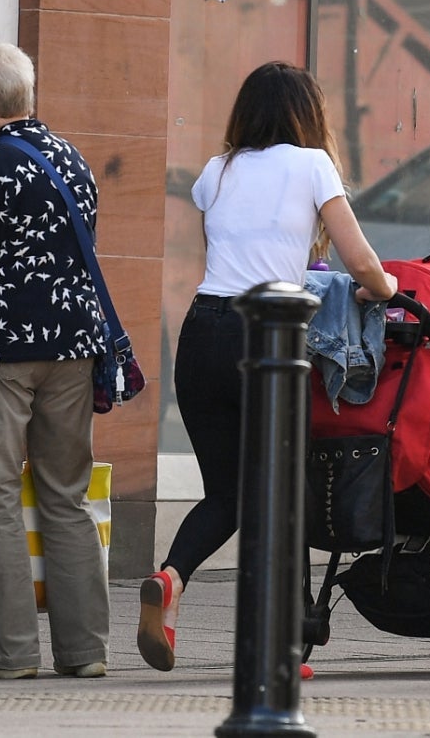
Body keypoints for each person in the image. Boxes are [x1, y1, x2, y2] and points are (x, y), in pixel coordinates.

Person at [138, 61, 395, 673]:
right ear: (308, 115)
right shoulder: (312, 166)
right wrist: (383, 289)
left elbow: (231, 254)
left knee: (228, 492)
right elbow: (359, 260)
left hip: (202, 334)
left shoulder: (216, 172)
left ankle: (171, 578)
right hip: (267, 339)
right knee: (280, 494)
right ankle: (280, 645)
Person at [0, 41, 113, 680]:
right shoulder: (74, 160)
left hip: (0, 354)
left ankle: (9, 654)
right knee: (66, 496)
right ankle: (85, 651)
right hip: (75, 351)